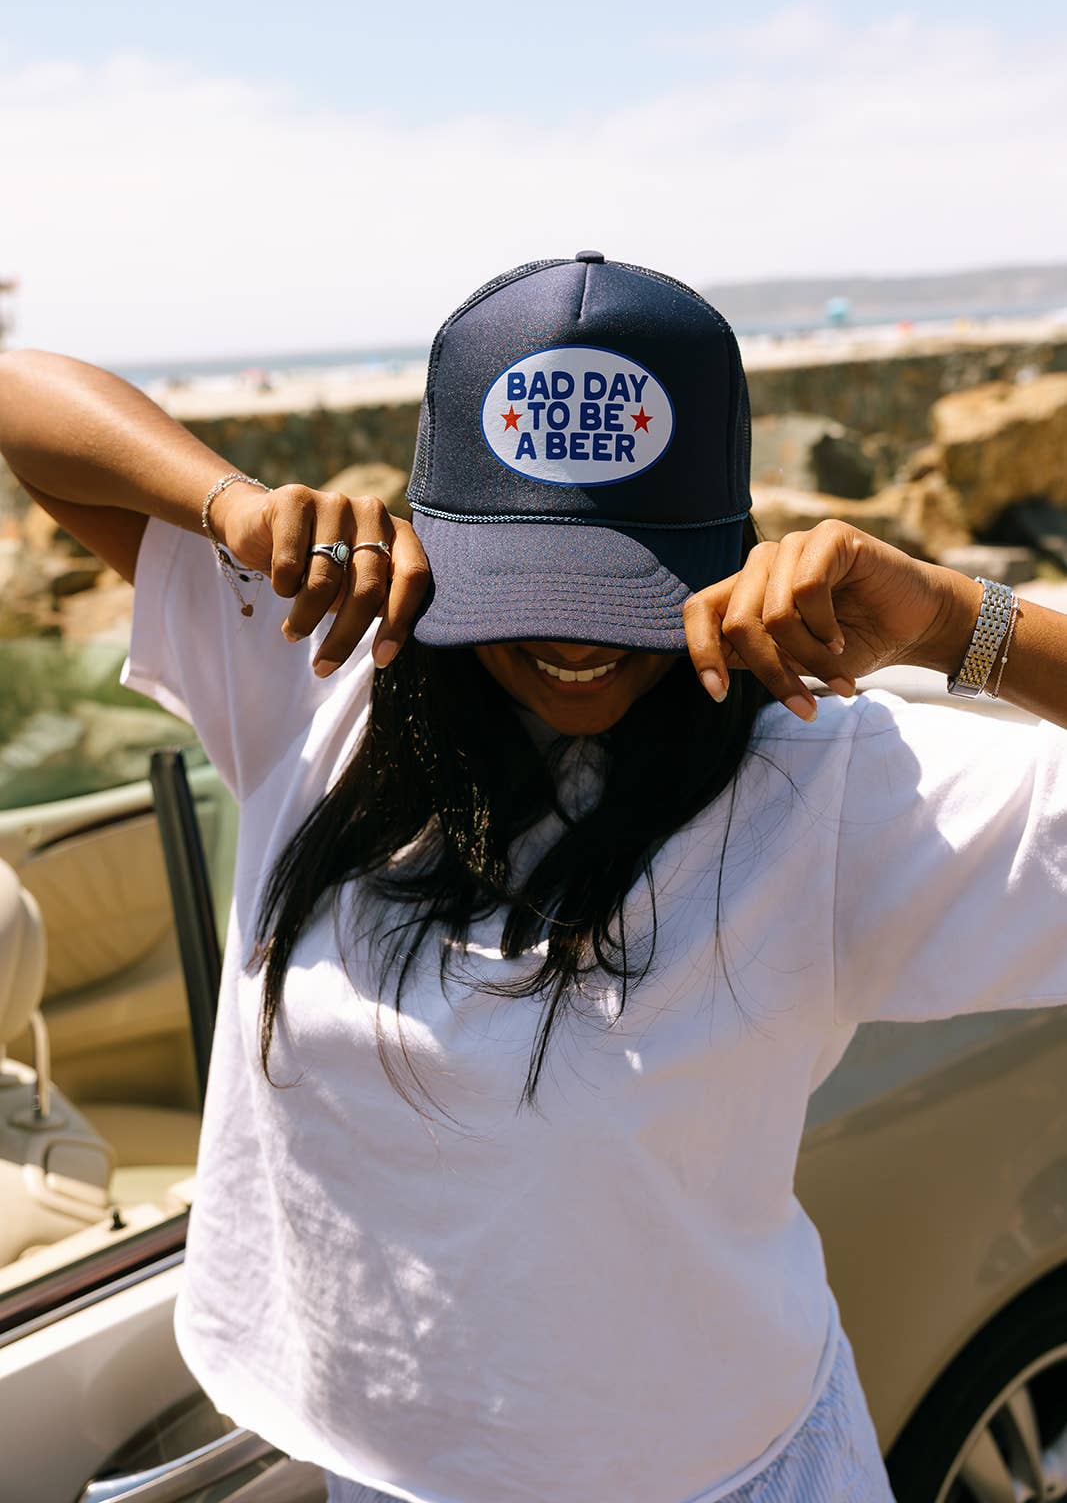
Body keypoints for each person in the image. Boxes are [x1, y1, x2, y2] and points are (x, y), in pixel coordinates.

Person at [1, 251, 1065, 1503]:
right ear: (432, 540)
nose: (571, 637)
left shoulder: (830, 779)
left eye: (628, 590)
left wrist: (952, 619)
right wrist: (228, 501)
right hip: (376, 1474)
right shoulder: (323, 667)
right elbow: (23, 400)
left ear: (726, 554)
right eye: (521, 582)